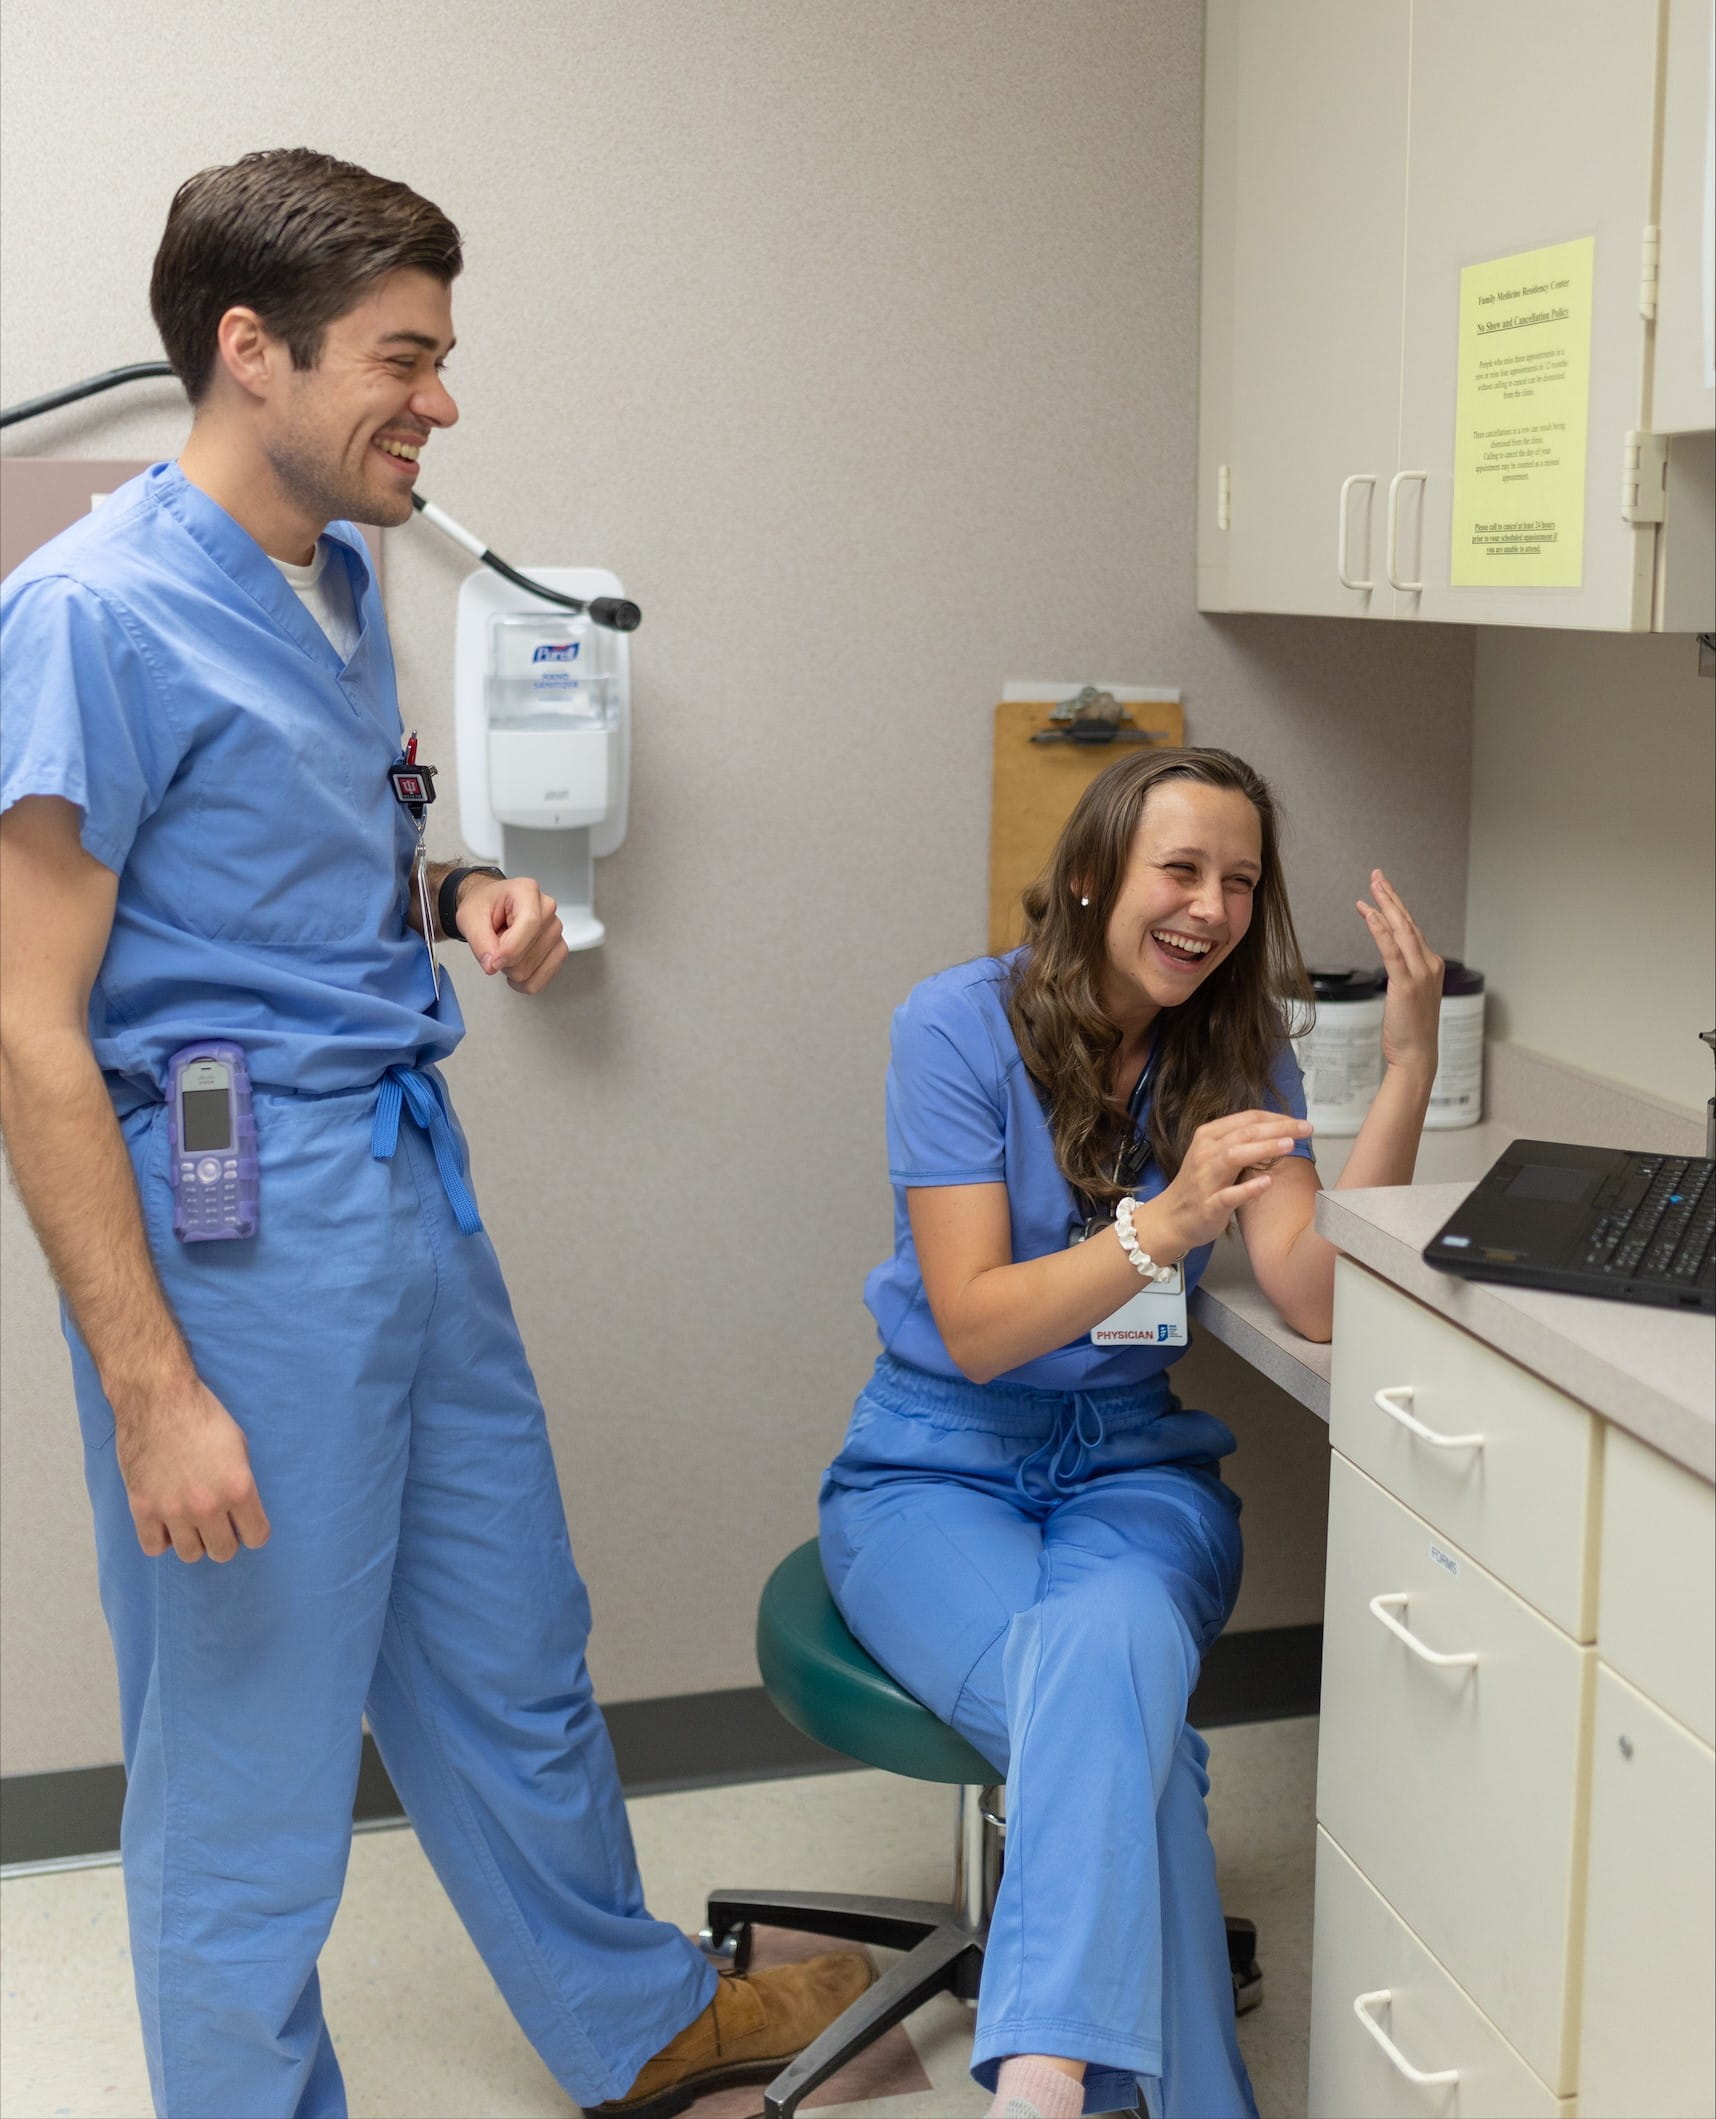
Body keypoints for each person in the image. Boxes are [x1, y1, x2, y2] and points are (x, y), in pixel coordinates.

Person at [0, 148, 870, 2119]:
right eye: (406, 356)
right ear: (254, 351)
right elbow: (30, 1027)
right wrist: (154, 1389)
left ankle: (629, 2016)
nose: (445, 400)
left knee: (509, 1640)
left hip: (400, 1178)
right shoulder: (87, 618)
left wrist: (455, 889)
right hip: (233, 1223)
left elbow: (289, 858)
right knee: (250, 1742)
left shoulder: (337, 573)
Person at [819, 746, 1444, 2119]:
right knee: (1135, 1750)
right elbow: (980, 1324)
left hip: (1131, 1470)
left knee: (1102, 1675)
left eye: (1240, 881)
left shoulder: (1237, 1052)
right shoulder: (953, 1028)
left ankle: (1041, 2080)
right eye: (1182, 869)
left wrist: (1401, 1067)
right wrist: (1161, 1226)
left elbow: (1322, 1296)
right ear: (1095, 876)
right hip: (936, 1466)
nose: (1211, 907)